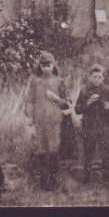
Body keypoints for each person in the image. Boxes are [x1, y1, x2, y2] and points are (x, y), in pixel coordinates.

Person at [23, 51, 72, 191]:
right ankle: (43, 183)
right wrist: (30, 119)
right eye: (43, 65)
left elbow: (67, 103)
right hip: (39, 123)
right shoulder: (34, 81)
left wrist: (55, 98)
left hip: (54, 122)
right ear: (40, 66)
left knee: (53, 149)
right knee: (40, 150)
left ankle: (54, 181)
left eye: (48, 65)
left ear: (53, 65)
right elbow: (29, 101)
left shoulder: (59, 81)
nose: (46, 68)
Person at [74, 63, 109, 184]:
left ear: (103, 78)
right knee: (88, 152)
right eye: (94, 77)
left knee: (105, 153)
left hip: (104, 126)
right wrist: (88, 102)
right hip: (89, 126)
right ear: (90, 77)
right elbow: (77, 110)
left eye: (99, 77)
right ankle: (87, 180)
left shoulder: (107, 90)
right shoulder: (84, 90)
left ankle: (107, 180)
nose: (97, 80)